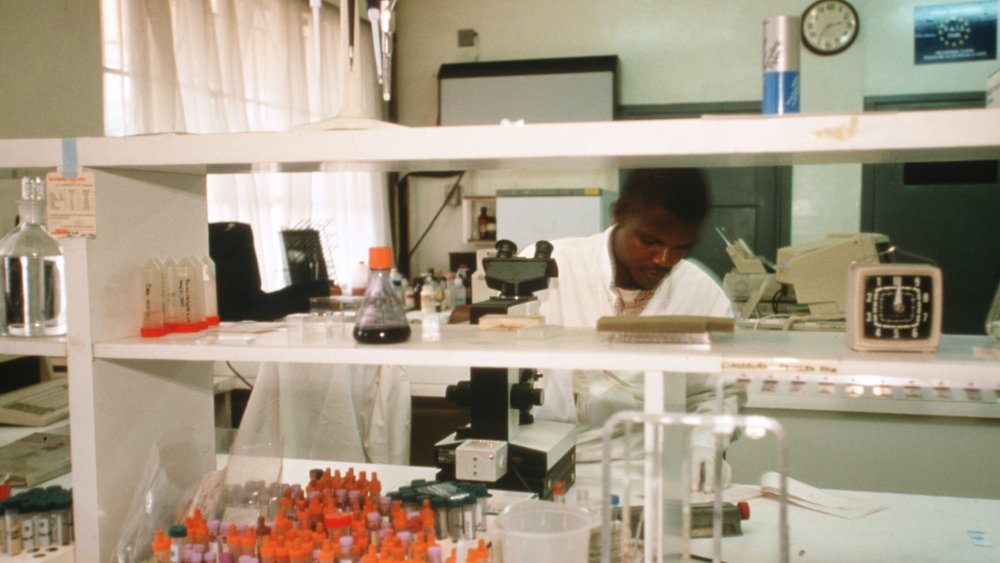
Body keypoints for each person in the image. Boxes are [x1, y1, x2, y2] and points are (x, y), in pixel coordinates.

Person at [524, 167, 741, 493]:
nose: (664, 260)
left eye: (682, 247)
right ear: (621, 213)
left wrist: (706, 442)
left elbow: (716, 393)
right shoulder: (552, 268)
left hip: (645, 469)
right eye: (650, 241)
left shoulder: (701, 292)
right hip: (540, 461)